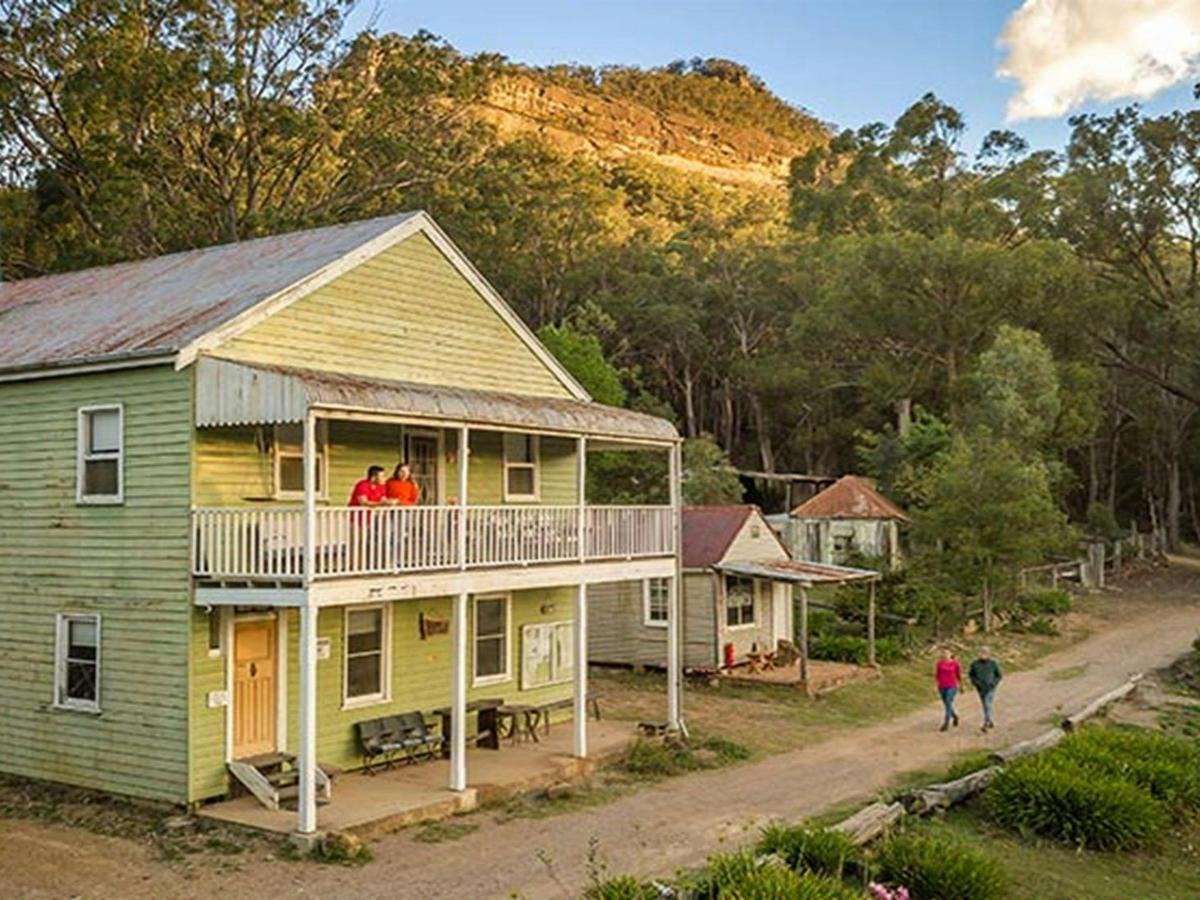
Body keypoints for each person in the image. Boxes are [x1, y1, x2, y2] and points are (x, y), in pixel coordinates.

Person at [969, 646, 1003, 732]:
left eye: (984, 653)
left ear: (988, 654)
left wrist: (993, 683)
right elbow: (971, 675)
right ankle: (990, 720)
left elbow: (999, 675)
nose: (982, 655)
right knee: (985, 704)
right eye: (980, 653)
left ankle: (986, 722)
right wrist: (975, 683)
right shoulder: (974, 664)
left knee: (987, 703)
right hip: (980, 688)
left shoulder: (993, 663)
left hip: (990, 687)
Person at [934, 647, 962, 732]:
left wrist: (961, 686)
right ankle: (955, 716)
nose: (945, 655)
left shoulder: (955, 664)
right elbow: (937, 675)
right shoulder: (939, 663)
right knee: (946, 704)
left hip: (952, 686)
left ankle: (946, 723)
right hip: (942, 686)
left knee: (948, 702)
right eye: (944, 653)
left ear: (951, 654)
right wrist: (935, 685)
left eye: (947, 653)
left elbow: (958, 675)